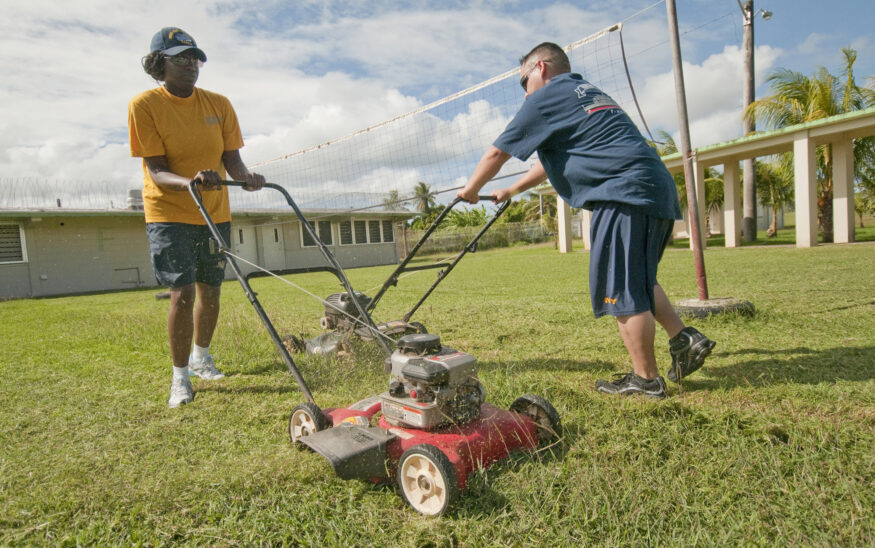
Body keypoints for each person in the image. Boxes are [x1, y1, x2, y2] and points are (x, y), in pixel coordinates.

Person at [457, 42, 715, 399]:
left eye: (523, 81)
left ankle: (646, 380)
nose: (524, 91)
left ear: (541, 68)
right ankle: (684, 339)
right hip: (653, 188)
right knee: (638, 279)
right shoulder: (586, 94)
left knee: (622, 289)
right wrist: (512, 189)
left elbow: (497, 151)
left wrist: (471, 188)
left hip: (622, 194)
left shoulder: (545, 99)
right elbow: (550, 163)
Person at [128, 27, 265, 408]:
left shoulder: (219, 104)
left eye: (196, 58)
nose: (192, 65)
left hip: (214, 213)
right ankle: (180, 378)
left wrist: (248, 178)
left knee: (212, 289)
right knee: (182, 294)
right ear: (160, 64)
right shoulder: (145, 105)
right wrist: (192, 181)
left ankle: (203, 358)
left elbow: (233, 161)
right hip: (169, 214)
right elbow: (156, 170)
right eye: (181, 58)